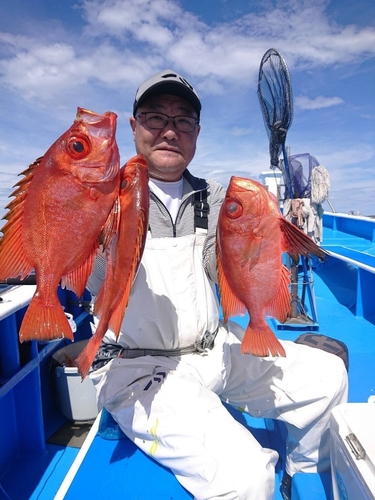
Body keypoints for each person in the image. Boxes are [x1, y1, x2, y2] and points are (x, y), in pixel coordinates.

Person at [87, 69, 348, 500]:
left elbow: (216, 270)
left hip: (216, 347)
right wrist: (99, 232)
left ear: (197, 133)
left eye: (183, 120)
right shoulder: (105, 196)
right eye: (155, 117)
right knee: (247, 478)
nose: (170, 130)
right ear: (133, 127)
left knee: (328, 377)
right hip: (140, 368)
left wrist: (259, 234)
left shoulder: (212, 196)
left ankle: (298, 478)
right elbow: (93, 285)